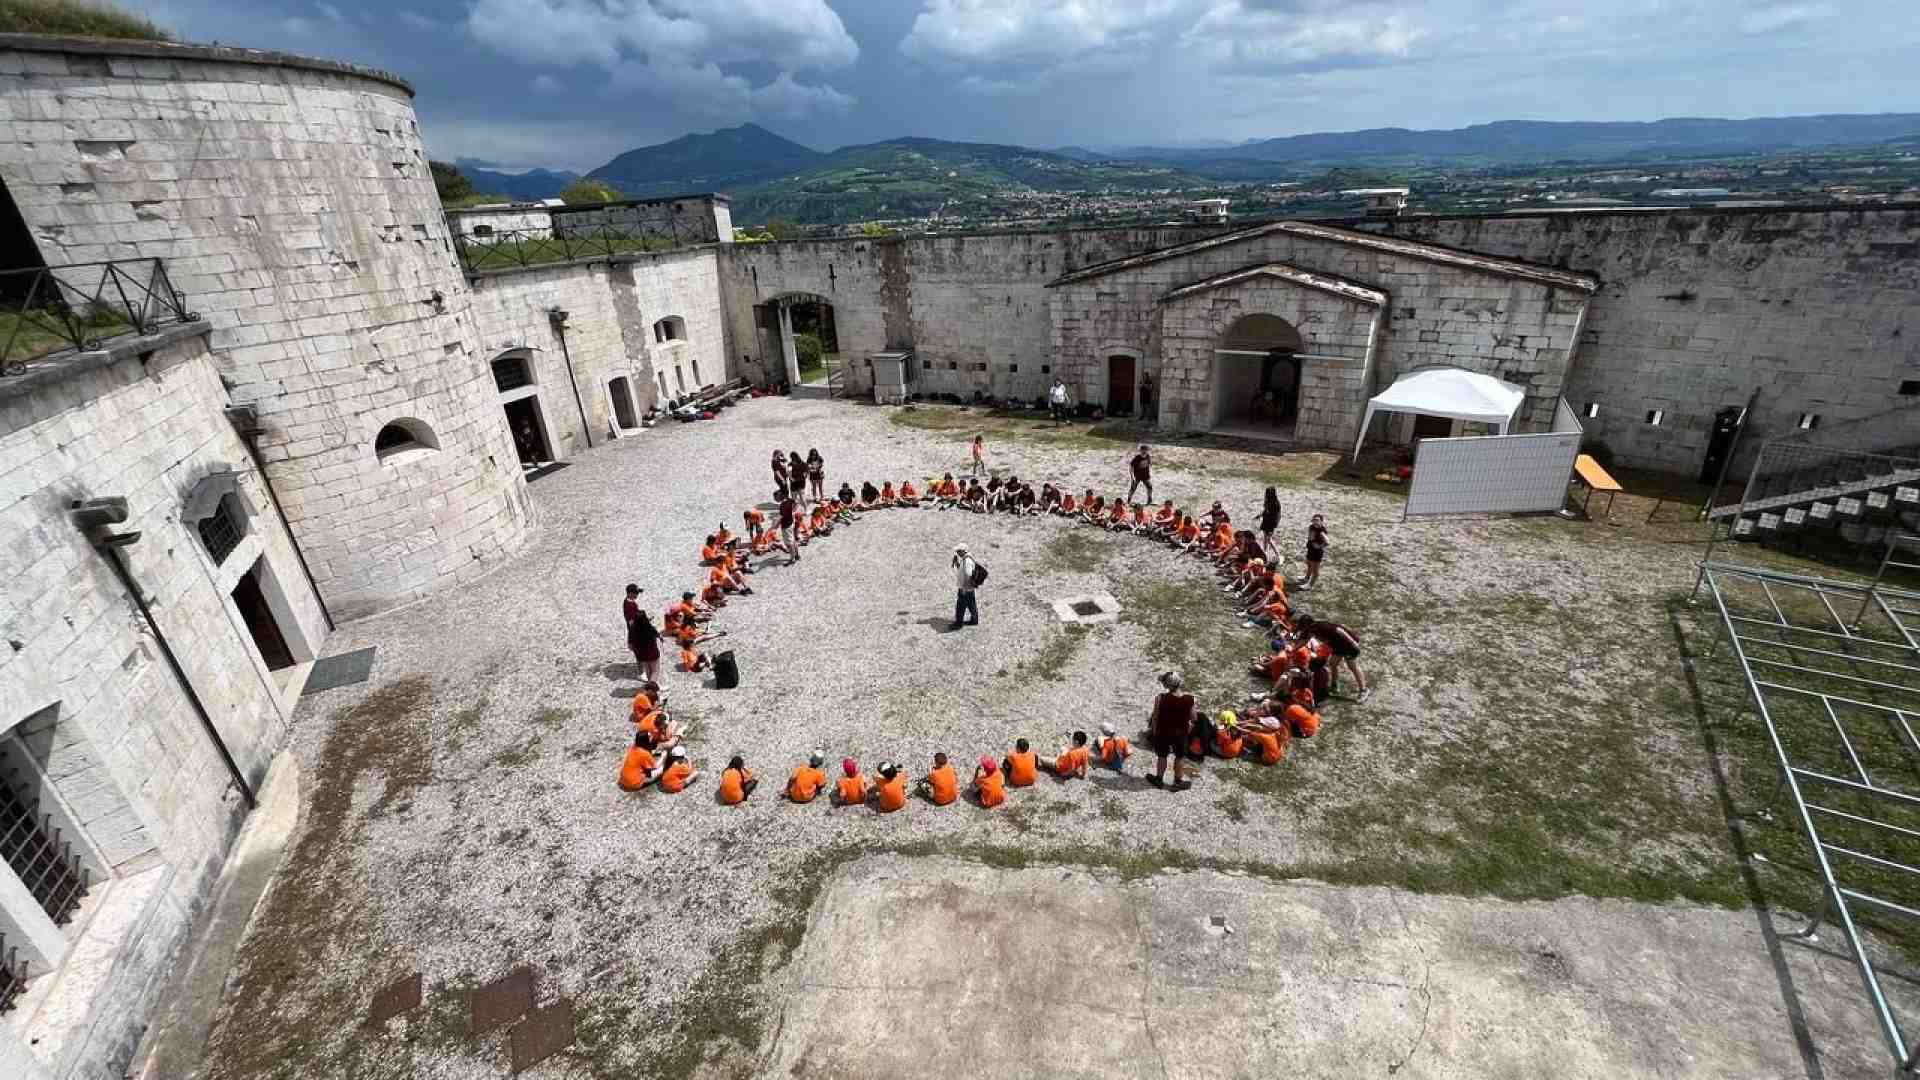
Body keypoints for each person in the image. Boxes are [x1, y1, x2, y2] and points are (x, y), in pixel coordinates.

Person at [1148, 672, 1196, 790]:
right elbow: (1194, 717)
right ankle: (1177, 782)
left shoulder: (1160, 698)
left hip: (1163, 732)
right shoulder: (1190, 699)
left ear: (1167, 685)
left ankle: (1159, 779)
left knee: (1162, 756)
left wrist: (1154, 731)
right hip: (1181, 734)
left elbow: (1155, 717)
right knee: (1179, 757)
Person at [1299, 616, 1366, 699]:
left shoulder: (1321, 626)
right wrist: (1294, 649)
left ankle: (1363, 690)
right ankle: (1334, 686)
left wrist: (1352, 642)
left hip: (1347, 643)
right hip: (1337, 646)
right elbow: (1303, 641)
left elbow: (1339, 630)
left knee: (1352, 666)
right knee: (1333, 663)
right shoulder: (1310, 630)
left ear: (1307, 624)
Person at [951, 544, 981, 629]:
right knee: (971, 604)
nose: (957, 553)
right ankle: (974, 620)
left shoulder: (967, 561)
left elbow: (968, 575)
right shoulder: (965, 559)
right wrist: (956, 562)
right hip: (969, 588)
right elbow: (962, 570)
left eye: (958, 551)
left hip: (965, 588)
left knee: (960, 606)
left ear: (964, 551)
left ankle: (958, 624)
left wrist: (964, 588)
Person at [1302, 514, 1328, 590]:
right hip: (1310, 550)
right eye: (1314, 520)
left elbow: (1327, 542)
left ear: (1321, 522)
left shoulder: (1321, 531)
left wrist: (1319, 546)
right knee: (1309, 564)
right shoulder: (1311, 527)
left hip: (1317, 553)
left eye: (1317, 520)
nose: (1315, 522)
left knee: (1315, 570)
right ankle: (1306, 578)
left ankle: (1310, 585)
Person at [1259, 487, 1282, 561]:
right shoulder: (1268, 501)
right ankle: (1266, 553)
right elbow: (1265, 510)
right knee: (1266, 539)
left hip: (1271, 523)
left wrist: (1274, 524)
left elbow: (1277, 515)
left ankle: (1274, 554)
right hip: (1266, 521)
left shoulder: (1276, 503)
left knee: (1268, 539)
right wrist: (1260, 515)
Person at [778, 492, 802, 562]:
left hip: (786, 526)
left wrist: (775, 526)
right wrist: (793, 511)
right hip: (791, 523)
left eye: (776, 497)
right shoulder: (789, 500)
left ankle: (792, 558)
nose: (775, 499)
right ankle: (797, 555)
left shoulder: (782, 505)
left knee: (789, 543)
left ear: (780, 497)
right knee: (793, 540)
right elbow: (797, 502)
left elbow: (781, 517)